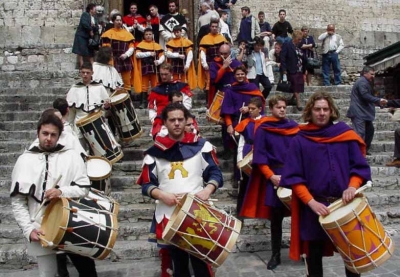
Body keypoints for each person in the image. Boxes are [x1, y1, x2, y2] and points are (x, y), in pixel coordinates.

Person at [280, 91, 372, 277]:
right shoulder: (299, 140)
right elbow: (294, 177)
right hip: (315, 207)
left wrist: (352, 186)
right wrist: (311, 202)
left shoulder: (345, 135)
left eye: (325, 109)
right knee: (314, 257)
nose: (321, 113)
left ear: (331, 111)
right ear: (310, 112)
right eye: (317, 109)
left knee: (352, 255)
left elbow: (359, 167)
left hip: (344, 204)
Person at [137, 102, 223, 277]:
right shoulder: (154, 153)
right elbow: (146, 185)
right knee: (179, 265)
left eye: (180, 119)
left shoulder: (202, 146)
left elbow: (215, 173)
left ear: (186, 122)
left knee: (201, 264)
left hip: (198, 212)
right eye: (172, 120)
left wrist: (207, 190)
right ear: (165, 123)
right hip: (169, 215)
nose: (176, 123)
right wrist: (161, 195)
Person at [10, 111, 91, 277]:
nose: (48, 138)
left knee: (88, 272)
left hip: (72, 225)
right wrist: (28, 229)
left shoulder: (72, 156)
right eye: (45, 133)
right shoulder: (24, 160)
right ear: (38, 133)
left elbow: (84, 188)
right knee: (48, 274)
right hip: (41, 228)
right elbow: (18, 202)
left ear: (59, 136)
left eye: (53, 135)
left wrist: (61, 191)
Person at [240, 95, 299, 270]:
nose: (282, 110)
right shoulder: (264, 129)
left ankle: (301, 251)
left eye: (284, 107)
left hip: (294, 176)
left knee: (300, 216)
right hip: (274, 176)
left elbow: (301, 153)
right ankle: (275, 254)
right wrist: (271, 176)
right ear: (271, 109)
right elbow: (260, 156)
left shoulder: (294, 128)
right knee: (276, 218)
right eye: (278, 107)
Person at [66, 62, 111, 146]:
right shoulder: (74, 88)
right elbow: (71, 111)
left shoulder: (99, 87)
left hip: (96, 121)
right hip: (79, 122)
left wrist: (106, 107)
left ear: (92, 73)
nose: (85, 75)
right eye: (83, 72)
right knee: (80, 149)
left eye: (87, 72)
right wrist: (70, 127)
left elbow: (105, 108)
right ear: (80, 73)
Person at [234, 97, 265, 213]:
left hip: (261, 152)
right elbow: (241, 143)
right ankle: (240, 211)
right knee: (244, 183)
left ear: (260, 109)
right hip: (247, 153)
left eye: (253, 109)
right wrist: (239, 159)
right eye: (249, 108)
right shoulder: (245, 123)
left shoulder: (266, 122)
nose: (250, 111)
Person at [346, 66, 387, 154]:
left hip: (364, 112)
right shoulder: (362, 82)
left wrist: (378, 102)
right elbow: (364, 95)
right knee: (360, 133)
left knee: (370, 130)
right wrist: (378, 100)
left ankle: (364, 149)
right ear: (365, 73)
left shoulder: (365, 82)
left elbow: (367, 97)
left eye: (374, 74)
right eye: (371, 74)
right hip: (359, 112)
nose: (373, 76)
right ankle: (358, 153)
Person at [148, 63, 193, 137]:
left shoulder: (181, 86)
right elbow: (152, 109)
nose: (163, 76)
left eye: (166, 74)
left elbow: (187, 104)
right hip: (160, 120)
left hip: (180, 117)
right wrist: (155, 120)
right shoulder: (155, 91)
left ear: (171, 73)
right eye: (161, 74)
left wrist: (179, 115)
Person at [101, 13, 135, 91]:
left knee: (127, 81)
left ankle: (127, 101)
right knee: (114, 81)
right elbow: (105, 48)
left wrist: (126, 55)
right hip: (114, 59)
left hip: (125, 59)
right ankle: (115, 101)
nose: (119, 22)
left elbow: (132, 47)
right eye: (117, 20)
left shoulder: (127, 34)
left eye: (120, 20)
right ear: (113, 21)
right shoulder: (108, 34)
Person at [133, 28, 165, 108]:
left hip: (155, 67)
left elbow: (162, 56)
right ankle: (143, 102)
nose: (148, 36)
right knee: (144, 85)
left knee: (155, 84)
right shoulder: (140, 45)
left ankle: (155, 102)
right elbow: (137, 55)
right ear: (144, 36)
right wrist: (149, 53)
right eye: (146, 34)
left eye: (150, 34)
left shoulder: (157, 45)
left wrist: (159, 61)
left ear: (153, 35)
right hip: (145, 67)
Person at [197, 17, 228, 93]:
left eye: (216, 27)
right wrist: (204, 64)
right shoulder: (205, 38)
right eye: (213, 26)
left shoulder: (221, 38)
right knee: (209, 82)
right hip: (209, 63)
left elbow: (226, 51)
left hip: (220, 64)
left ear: (218, 28)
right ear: (210, 27)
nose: (214, 28)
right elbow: (202, 52)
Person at [281, 29, 308, 111]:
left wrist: (305, 68)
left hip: (300, 68)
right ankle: (298, 102)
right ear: (294, 38)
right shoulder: (287, 44)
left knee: (299, 85)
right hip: (291, 68)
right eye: (299, 39)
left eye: (301, 39)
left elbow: (303, 57)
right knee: (296, 84)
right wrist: (284, 69)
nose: (300, 41)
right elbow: (283, 57)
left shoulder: (299, 46)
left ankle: (292, 99)